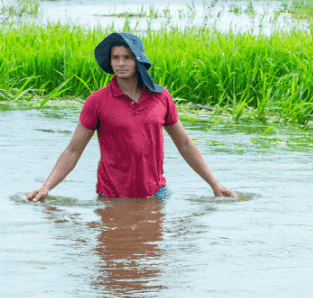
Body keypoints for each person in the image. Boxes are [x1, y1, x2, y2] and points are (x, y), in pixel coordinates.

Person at [26, 32, 235, 202]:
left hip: (156, 193)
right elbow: (73, 150)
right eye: (115, 58)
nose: (121, 63)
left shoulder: (161, 97)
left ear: (138, 60)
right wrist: (46, 187)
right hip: (111, 196)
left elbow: (185, 144)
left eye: (127, 57)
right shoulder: (96, 101)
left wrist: (214, 184)